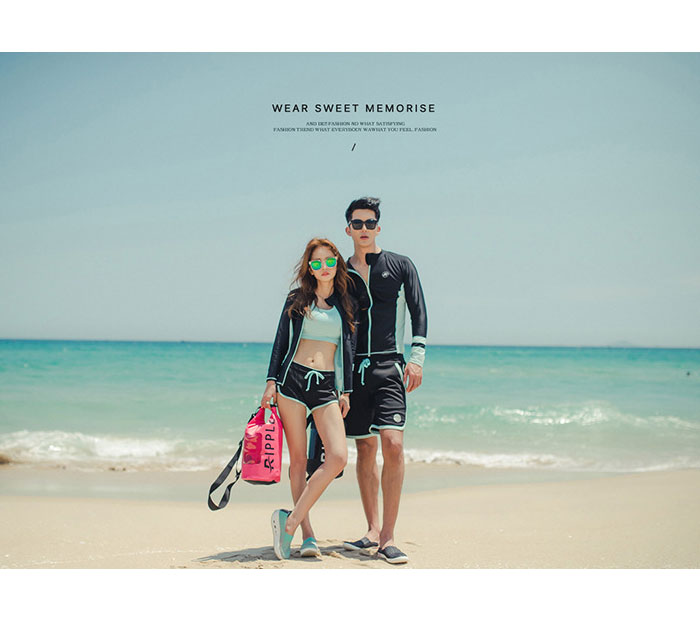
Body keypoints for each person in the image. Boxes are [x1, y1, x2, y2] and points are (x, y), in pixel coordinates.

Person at [341, 196, 427, 564]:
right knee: (365, 448)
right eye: (357, 223)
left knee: (392, 444)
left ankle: (389, 537)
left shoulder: (400, 265)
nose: (364, 229)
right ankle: (373, 530)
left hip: (390, 366)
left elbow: (419, 311)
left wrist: (417, 358)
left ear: (378, 227)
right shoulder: (340, 272)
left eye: (369, 223)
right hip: (355, 371)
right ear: (348, 229)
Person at [262, 237, 357, 560]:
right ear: (310, 268)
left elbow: (348, 349)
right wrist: (271, 382)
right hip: (292, 382)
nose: (324, 267)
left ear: (337, 264)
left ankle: (288, 521)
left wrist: (346, 391)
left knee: (338, 457)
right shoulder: (297, 299)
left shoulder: (346, 304)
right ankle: (307, 534)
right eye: (317, 262)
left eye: (329, 261)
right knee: (299, 462)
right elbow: (280, 342)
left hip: (326, 387)